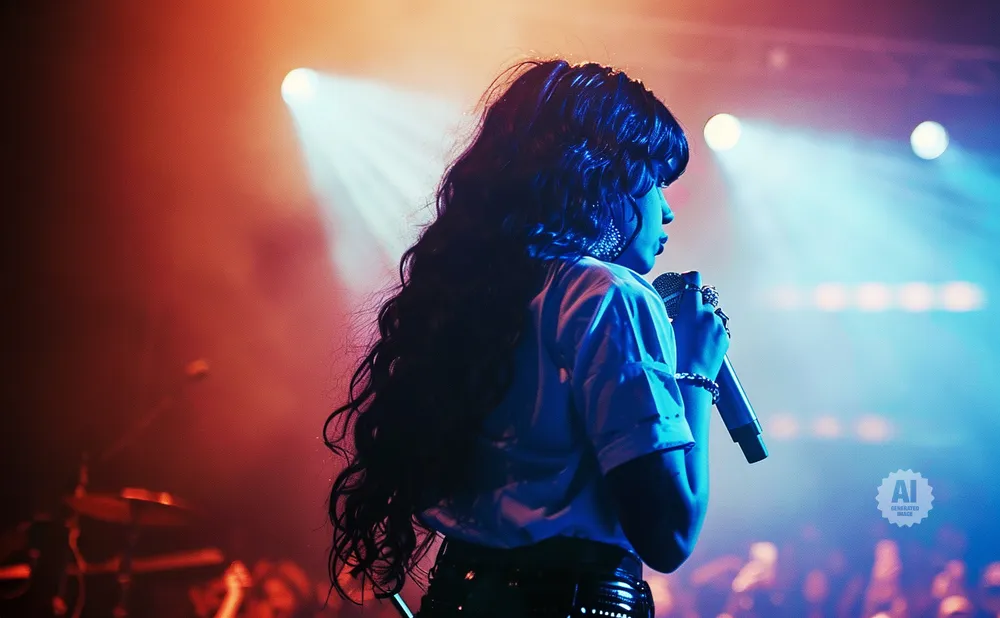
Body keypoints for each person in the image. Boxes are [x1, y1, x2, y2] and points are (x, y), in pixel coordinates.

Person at [324, 57, 730, 618]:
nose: (666, 211)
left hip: (457, 596)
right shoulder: (609, 295)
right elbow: (668, 535)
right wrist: (696, 374)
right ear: (601, 176)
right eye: (657, 181)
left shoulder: (471, 295)